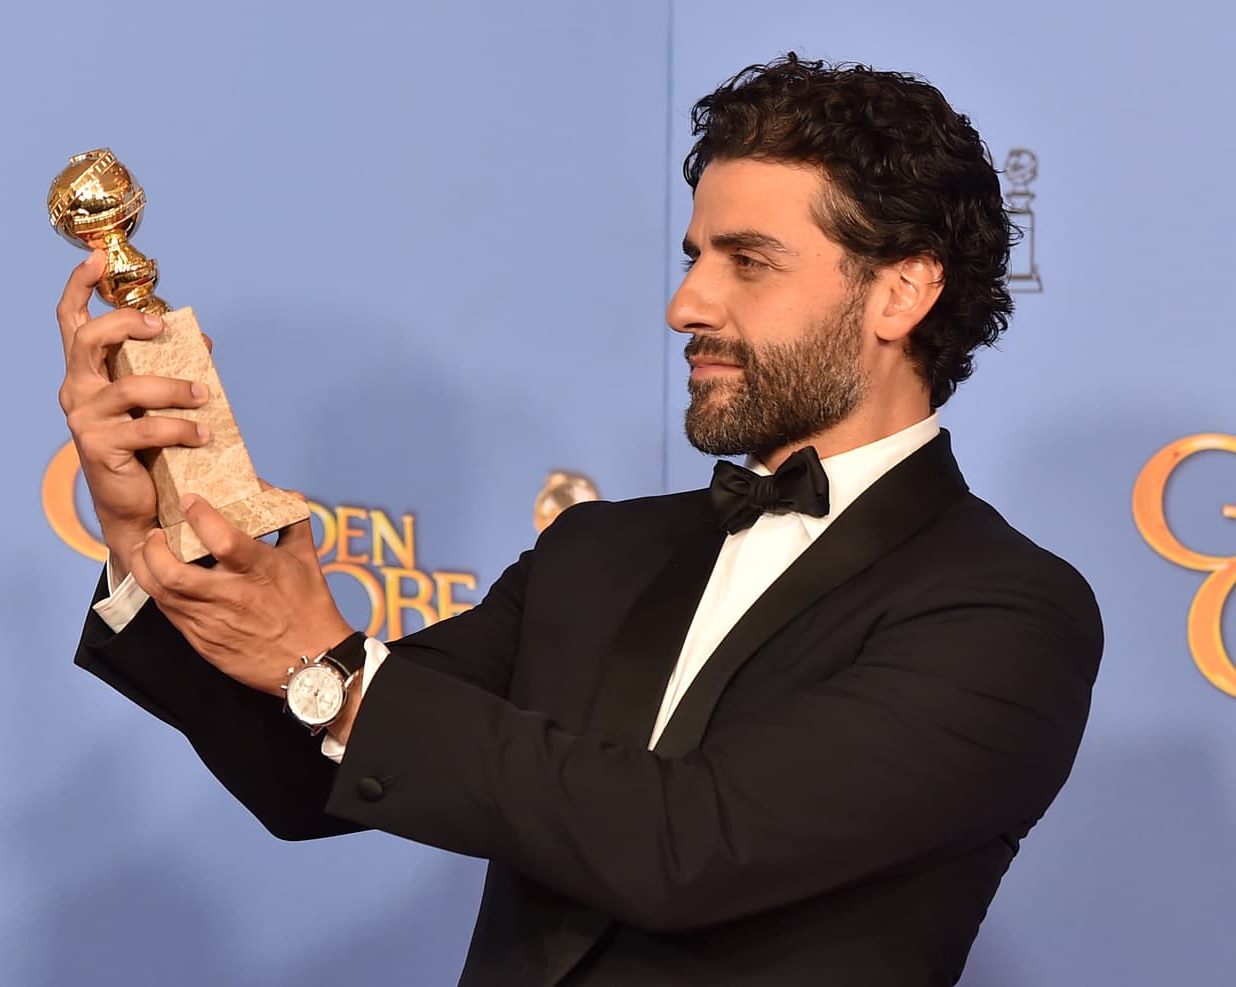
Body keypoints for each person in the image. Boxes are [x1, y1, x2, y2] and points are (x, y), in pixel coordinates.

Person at [57, 54, 1102, 986]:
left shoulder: (1003, 610)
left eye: (747, 261)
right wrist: (147, 530)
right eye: (692, 255)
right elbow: (309, 773)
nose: (685, 305)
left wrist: (327, 663)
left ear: (899, 293)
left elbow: (689, 847)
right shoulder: (600, 553)